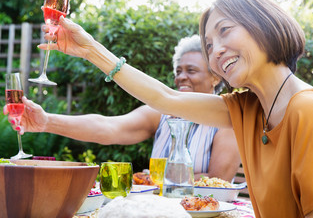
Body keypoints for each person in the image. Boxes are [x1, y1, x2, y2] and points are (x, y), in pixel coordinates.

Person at [16, 0, 313, 217]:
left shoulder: (308, 110)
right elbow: (166, 99)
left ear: (264, 26)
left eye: (225, 31)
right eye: (209, 44)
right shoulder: (249, 108)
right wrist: (90, 50)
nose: (217, 49)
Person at [4, 35, 240, 182]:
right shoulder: (161, 114)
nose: (181, 77)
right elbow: (109, 127)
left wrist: (155, 179)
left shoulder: (227, 120)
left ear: (215, 78)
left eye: (191, 70)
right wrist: (47, 121)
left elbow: (218, 180)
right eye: (178, 71)